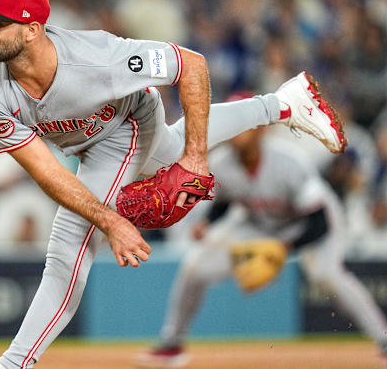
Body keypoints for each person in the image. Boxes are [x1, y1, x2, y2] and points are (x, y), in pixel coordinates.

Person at [0, 0, 346, 369]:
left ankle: (13, 364)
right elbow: (46, 172)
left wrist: (195, 159)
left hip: (129, 121)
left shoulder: (98, 57)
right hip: (87, 142)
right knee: (173, 146)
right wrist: (111, 219)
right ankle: (282, 104)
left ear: (32, 30)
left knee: (69, 244)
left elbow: (191, 65)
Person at [137, 98, 387, 367]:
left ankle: (383, 337)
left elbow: (319, 221)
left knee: (327, 275)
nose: (237, 133)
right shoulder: (222, 163)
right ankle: (172, 343)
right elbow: (225, 201)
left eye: (244, 126)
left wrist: (284, 248)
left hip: (312, 222)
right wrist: (207, 223)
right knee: (195, 267)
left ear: (260, 129)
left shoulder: (288, 162)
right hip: (258, 223)